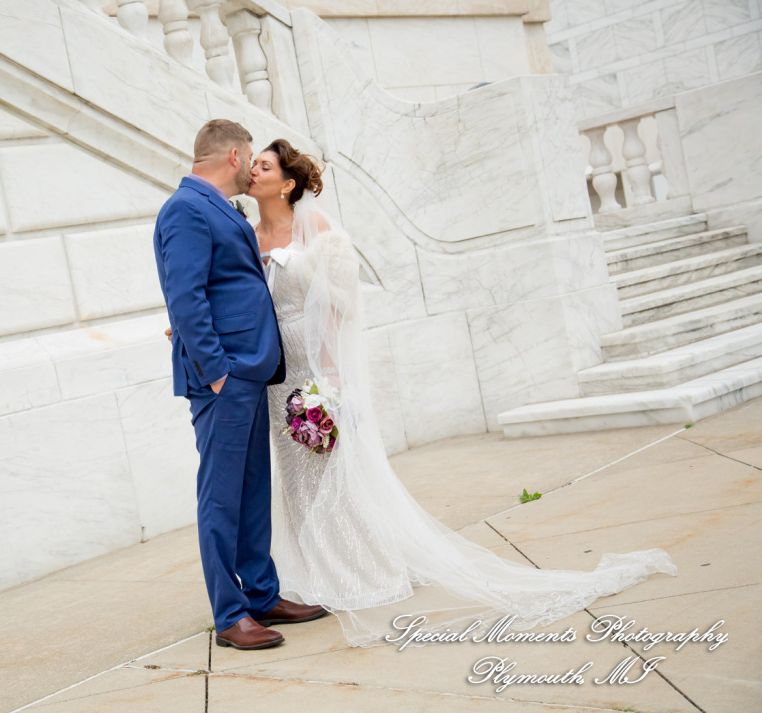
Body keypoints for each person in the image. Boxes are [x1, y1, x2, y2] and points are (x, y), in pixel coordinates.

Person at [243, 138, 678, 647]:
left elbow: (340, 307)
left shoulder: (314, 228)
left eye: (264, 165)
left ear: (288, 183)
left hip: (319, 368)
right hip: (277, 374)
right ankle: (315, 575)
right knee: (297, 479)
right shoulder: (249, 236)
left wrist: (334, 380)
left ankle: (358, 570)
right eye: (252, 163)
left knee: (335, 471)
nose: (253, 170)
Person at [152, 120, 327, 651]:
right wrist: (218, 371)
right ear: (233, 155)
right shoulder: (184, 209)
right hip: (224, 379)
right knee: (222, 497)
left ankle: (262, 593)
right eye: (248, 158)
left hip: (252, 372)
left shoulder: (221, 209)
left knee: (252, 492)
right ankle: (230, 615)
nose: (251, 168)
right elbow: (185, 297)